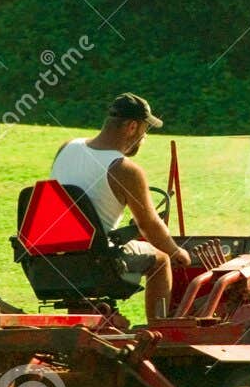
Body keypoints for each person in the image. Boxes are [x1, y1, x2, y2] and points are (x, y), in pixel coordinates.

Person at [51, 93, 192, 321]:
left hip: (51, 258)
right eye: (145, 132)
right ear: (132, 127)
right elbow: (150, 226)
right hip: (95, 262)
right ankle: (161, 331)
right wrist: (177, 251)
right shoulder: (124, 169)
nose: (144, 139)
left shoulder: (67, 147)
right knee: (161, 260)